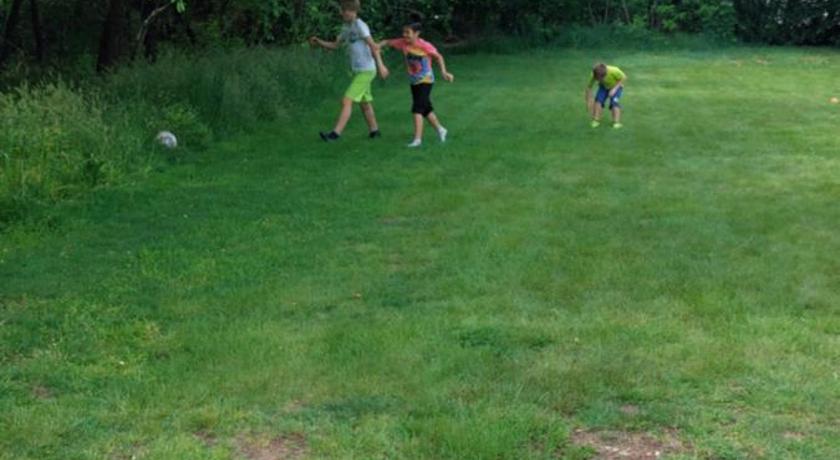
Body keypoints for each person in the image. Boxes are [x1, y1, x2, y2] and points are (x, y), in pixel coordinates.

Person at [309, 0, 389, 142]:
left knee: (347, 100)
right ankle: (375, 131)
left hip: (366, 70)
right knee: (365, 104)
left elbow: (374, 46)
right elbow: (335, 45)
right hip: (358, 71)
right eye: (342, 10)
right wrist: (319, 42)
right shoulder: (346, 27)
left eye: (344, 10)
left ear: (353, 11)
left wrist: (381, 65)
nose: (342, 13)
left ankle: (335, 134)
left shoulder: (360, 25)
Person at [379, 21, 454, 148]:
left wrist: (444, 72)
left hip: (426, 80)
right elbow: (387, 42)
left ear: (417, 33)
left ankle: (417, 140)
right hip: (414, 81)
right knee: (426, 109)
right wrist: (377, 45)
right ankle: (441, 130)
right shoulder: (403, 43)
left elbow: (438, 57)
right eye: (404, 32)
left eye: (408, 32)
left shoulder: (424, 45)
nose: (404, 35)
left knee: (417, 108)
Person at [585, 63, 626, 129]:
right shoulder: (594, 75)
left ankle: (616, 122)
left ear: (604, 75)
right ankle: (596, 120)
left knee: (614, 103)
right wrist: (588, 101)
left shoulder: (614, 70)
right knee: (598, 101)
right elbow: (589, 88)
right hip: (603, 87)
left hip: (616, 87)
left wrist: (614, 89)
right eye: (597, 79)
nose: (598, 80)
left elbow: (623, 77)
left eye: (599, 79)